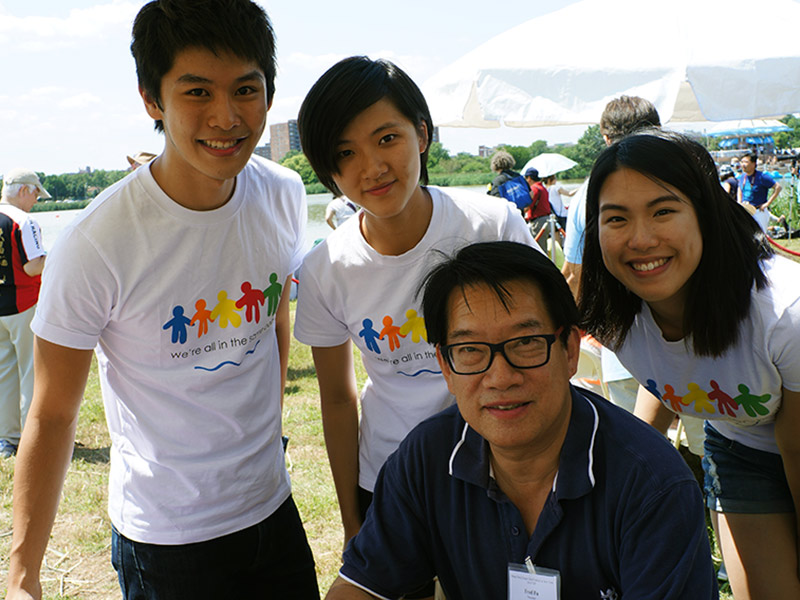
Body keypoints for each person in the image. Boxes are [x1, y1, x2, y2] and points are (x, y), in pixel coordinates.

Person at [6, 1, 319, 598]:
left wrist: (272, 422)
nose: (226, 117)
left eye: (246, 89)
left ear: (270, 94)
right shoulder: (99, 241)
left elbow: (275, 313)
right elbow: (52, 413)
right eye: (197, 91)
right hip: (166, 535)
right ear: (153, 99)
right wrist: (24, 573)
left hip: (272, 507)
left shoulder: (281, 193)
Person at [325, 241, 717, 600]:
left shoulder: (652, 485)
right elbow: (361, 587)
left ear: (569, 350)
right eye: (470, 350)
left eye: (526, 343)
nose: (500, 377)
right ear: (445, 365)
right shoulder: (428, 457)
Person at [294, 56, 538, 569]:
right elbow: (338, 401)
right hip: (390, 478)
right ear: (329, 169)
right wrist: (350, 521)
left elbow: (546, 344)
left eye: (387, 139)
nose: (373, 167)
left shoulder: (490, 223)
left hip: (506, 471)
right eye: (346, 152)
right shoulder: (325, 268)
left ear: (422, 134)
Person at [579, 128, 800, 598]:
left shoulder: (784, 314)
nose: (640, 239)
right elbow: (667, 377)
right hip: (741, 451)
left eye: (663, 211)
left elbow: (797, 447)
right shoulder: (617, 322)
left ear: (706, 213)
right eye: (616, 218)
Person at [560, 96, 662, 416]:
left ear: (605, 138)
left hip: (622, 341)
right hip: (698, 340)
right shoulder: (683, 181)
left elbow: (573, 277)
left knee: (638, 440)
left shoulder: (588, 192)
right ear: (658, 132)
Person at [0, 169, 48, 458]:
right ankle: (35, 437)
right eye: (35, 194)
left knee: (4, 374)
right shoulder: (24, 221)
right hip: (23, 304)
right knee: (32, 372)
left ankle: (6, 439)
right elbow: (33, 266)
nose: (36, 201)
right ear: (23, 191)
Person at [737, 150, 782, 231]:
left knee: (760, 237)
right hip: (746, 211)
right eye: (742, 162)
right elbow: (740, 189)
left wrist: (767, 204)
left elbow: (778, 187)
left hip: (759, 212)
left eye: (746, 162)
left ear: (754, 164)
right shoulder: (743, 177)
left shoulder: (762, 177)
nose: (743, 165)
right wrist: (739, 202)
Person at [523, 167, 552, 252]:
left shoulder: (534, 189)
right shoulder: (543, 188)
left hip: (538, 222)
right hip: (546, 220)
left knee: (539, 249)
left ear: (529, 178)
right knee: (542, 247)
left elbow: (527, 206)